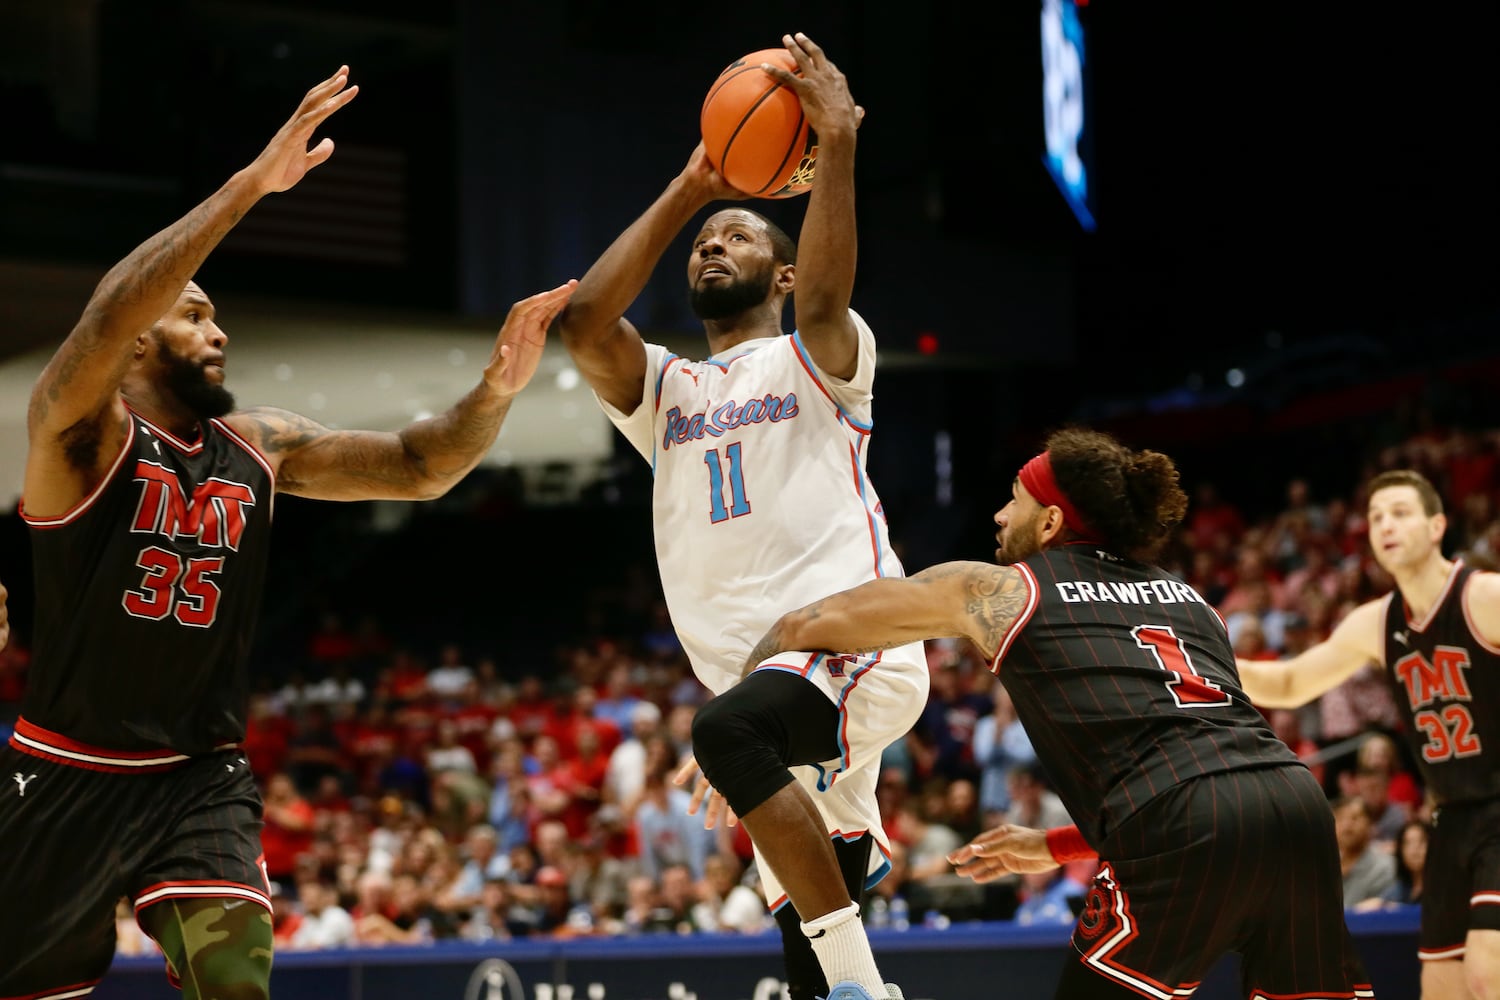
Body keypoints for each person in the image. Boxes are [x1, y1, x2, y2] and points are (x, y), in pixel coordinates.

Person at [0, 67, 576, 1000]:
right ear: (142, 341)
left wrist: (496, 392)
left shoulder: (257, 443)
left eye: (217, 315)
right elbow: (107, 310)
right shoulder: (81, 436)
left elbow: (419, 465)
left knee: (236, 982)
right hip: (69, 767)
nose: (217, 330)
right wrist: (249, 188)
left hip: (199, 774)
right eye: (194, 315)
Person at [740, 427, 1373, 999]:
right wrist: (1056, 844)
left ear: (1048, 523)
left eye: (1012, 498)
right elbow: (1204, 762)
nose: (997, 513)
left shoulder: (1006, 589)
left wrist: (741, 702)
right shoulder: (1193, 601)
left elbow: (810, 623)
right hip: (1295, 805)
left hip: (1180, 823)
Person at [552, 32, 923, 1000]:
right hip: (758, 685)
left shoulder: (819, 358)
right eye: (706, 240)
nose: (715, 243)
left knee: (727, 743)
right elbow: (586, 323)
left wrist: (835, 140)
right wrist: (692, 186)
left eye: (741, 234)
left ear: (786, 274)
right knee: (807, 952)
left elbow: (835, 292)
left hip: (847, 650)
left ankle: (865, 990)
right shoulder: (666, 392)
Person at [1236, 468, 1500, 1000]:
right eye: (1376, 516)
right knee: (1443, 988)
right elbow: (1289, 682)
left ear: (1437, 526)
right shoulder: (1374, 622)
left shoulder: (1484, 597)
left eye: (1401, 513)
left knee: (1487, 972)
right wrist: (1193, 658)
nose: (1386, 525)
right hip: (1449, 818)